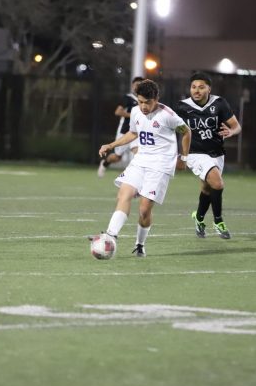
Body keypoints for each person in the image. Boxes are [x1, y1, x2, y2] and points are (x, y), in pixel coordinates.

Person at [92, 79, 191, 257]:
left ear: (156, 99)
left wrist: (183, 158)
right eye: (140, 102)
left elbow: (186, 132)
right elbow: (133, 133)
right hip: (140, 161)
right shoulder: (136, 111)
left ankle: (139, 244)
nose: (143, 106)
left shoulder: (168, 115)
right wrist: (111, 145)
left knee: (144, 210)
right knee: (124, 194)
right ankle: (110, 235)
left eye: (148, 102)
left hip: (160, 166)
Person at [174, 72, 241, 239]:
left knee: (207, 189)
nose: (196, 90)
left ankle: (199, 218)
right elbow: (169, 127)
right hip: (195, 153)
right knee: (217, 183)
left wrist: (231, 131)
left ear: (209, 89)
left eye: (201, 87)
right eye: (193, 87)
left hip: (217, 153)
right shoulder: (182, 107)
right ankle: (218, 221)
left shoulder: (219, 103)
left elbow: (236, 126)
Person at [97, 76, 144, 177]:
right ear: (132, 86)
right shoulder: (128, 98)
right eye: (136, 85)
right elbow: (118, 112)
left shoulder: (145, 100)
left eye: (140, 85)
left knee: (139, 154)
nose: (138, 87)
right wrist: (133, 115)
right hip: (125, 131)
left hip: (137, 133)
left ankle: (134, 177)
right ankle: (105, 163)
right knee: (117, 157)